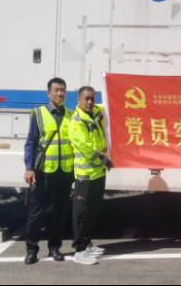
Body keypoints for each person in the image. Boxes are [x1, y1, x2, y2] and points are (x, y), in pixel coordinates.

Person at [22, 77, 74, 264]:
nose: (60, 93)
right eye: (56, 90)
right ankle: (31, 250)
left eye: (63, 90)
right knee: (36, 213)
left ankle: (55, 248)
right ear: (49, 93)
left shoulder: (71, 114)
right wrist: (29, 168)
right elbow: (31, 142)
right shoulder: (38, 113)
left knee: (59, 213)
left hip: (65, 172)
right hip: (43, 171)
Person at [68, 85, 112, 265]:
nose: (89, 102)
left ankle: (87, 243)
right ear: (78, 100)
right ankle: (79, 250)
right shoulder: (76, 121)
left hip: (98, 173)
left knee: (93, 210)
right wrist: (104, 159)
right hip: (85, 175)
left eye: (92, 98)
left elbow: (110, 104)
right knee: (81, 213)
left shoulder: (96, 113)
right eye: (86, 99)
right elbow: (86, 148)